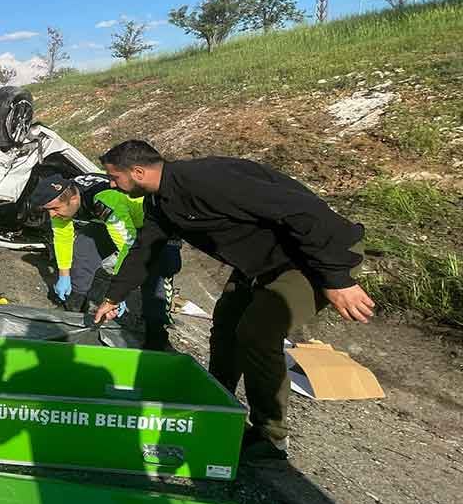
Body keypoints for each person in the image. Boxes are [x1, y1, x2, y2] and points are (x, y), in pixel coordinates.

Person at [91, 140, 373, 465]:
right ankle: (216, 405)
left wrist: (337, 278)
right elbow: (145, 250)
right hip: (263, 264)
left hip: (315, 258)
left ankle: (270, 437)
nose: (111, 184)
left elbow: (302, 210)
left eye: (114, 177)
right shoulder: (160, 203)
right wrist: (113, 296)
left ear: (137, 172)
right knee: (226, 323)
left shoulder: (208, 180)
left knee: (257, 332)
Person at [28, 173, 181, 350]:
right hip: (118, 222)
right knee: (83, 247)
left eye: (55, 209)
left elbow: (129, 247)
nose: (52, 215)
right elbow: (63, 237)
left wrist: (118, 293)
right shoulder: (67, 194)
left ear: (74, 198)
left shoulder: (105, 200)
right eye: (48, 210)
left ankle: (158, 336)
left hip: (156, 225)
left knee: (158, 276)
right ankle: (74, 308)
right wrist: (64, 274)